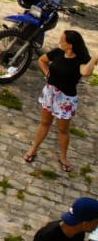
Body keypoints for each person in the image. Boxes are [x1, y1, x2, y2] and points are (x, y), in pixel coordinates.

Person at [25, 30, 97, 173]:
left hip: (66, 99)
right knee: (44, 123)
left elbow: (85, 73)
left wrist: (94, 59)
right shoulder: (57, 52)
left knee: (63, 130)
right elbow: (42, 60)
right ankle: (33, 149)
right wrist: (48, 75)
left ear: (70, 45)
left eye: (62, 40)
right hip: (51, 93)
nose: (59, 42)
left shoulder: (81, 60)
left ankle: (63, 157)